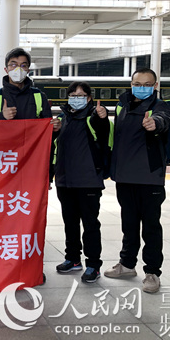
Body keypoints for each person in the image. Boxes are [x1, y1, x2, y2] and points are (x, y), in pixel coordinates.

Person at [104, 67, 170, 294]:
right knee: (129, 224)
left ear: (155, 86)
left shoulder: (161, 106)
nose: (141, 88)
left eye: (147, 84)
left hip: (149, 178)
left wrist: (155, 123)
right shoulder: (122, 105)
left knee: (151, 227)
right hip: (125, 176)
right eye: (137, 84)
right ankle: (127, 264)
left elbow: (163, 120)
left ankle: (152, 272)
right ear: (131, 84)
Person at [53, 82, 110, 283]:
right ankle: (73, 258)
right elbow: (53, 147)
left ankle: (93, 264)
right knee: (70, 223)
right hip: (65, 181)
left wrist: (102, 116)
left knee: (90, 224)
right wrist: (54, 131)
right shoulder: (62, 118)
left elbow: (103, 132)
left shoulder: (94, 117)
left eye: (81, 95)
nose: (76, 98)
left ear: (89, 98)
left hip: (88, 181)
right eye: (73, 95)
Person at [0, 47, 56, 124]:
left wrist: (56, 127)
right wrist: (2, 116)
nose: (18, 69)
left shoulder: (39, 96)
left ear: (28, 71)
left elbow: (48, 127)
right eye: (13, 65)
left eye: (23, 65)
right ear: (6, 70)